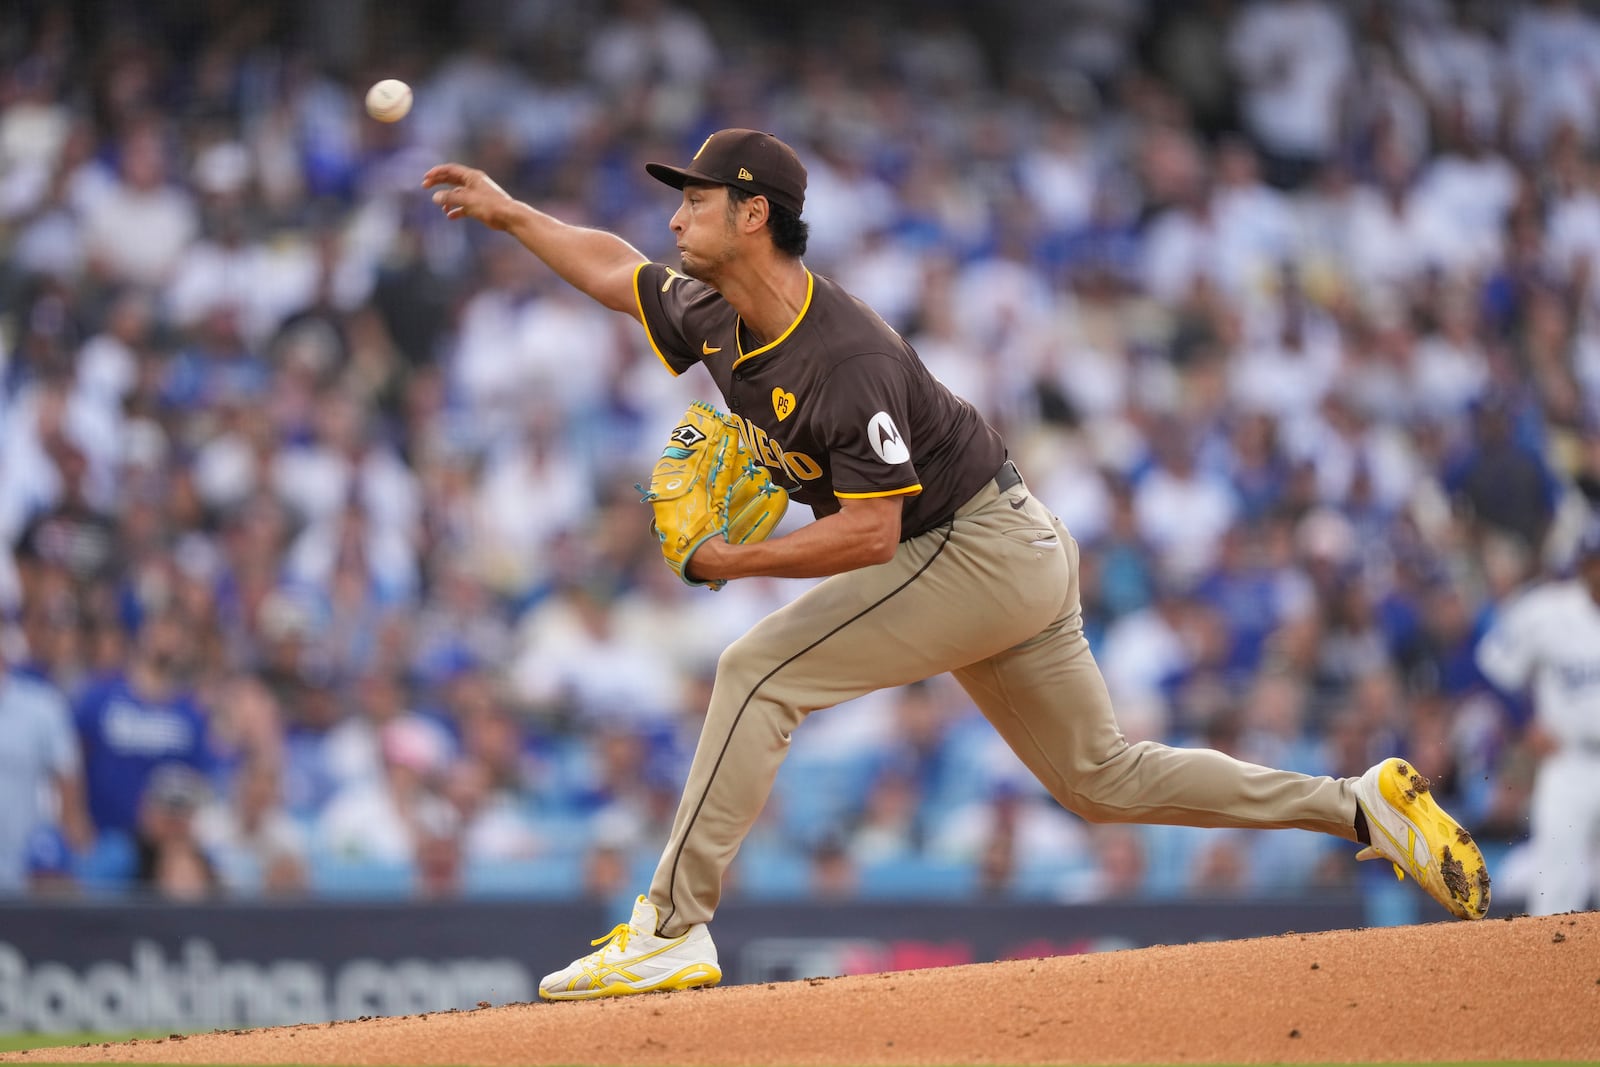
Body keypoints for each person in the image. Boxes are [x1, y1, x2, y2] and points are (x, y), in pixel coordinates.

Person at [422, 128, 1490, 1002]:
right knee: (1101, 778)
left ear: (754, 213)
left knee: (758, 670)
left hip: (970, 544)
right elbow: (618, 270)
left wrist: (733, 558)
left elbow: (871, 536)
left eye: (694, 199)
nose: (675, 215)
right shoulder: (716, 307)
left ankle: (668, 926)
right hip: (1001, 547)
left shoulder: (842, 353)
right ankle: (1359, 805)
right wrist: (513, 212)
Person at [1475, 515, 1600, 914]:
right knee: (1556, 885)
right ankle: (1546, 971)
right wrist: (1526, 721)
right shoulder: (1547, 611)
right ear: (1583, 564)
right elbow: (1494, 667)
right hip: (1570, 760)